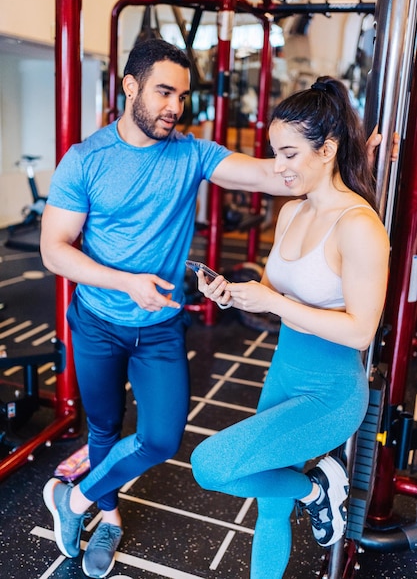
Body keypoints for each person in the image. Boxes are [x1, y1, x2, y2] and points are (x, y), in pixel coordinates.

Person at [40, 37, 386, 579]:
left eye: (182, 94)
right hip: (97, 320)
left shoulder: (193, 152)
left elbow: (281, 172)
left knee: (160, 439)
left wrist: (348, 155)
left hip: (158, 327)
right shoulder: (85, 160)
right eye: (162, 91)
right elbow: (53, 249)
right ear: (129, 87)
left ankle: (76, 499)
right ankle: (104, 516)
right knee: (104, 430)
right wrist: (126, 282)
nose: (174, 106)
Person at [190, 76, 390, 579]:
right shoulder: (291, 212)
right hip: (283, 374)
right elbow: (282, 287)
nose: (277, 168)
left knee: (211, 465)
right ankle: (312, 495)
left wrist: (274, 301)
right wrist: (237, 291)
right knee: (267, 507)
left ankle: (317, 489)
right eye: (274, 154)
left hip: (330, 393)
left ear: (327, 149)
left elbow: (361, 332)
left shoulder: (360, 226)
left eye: (288, 154)